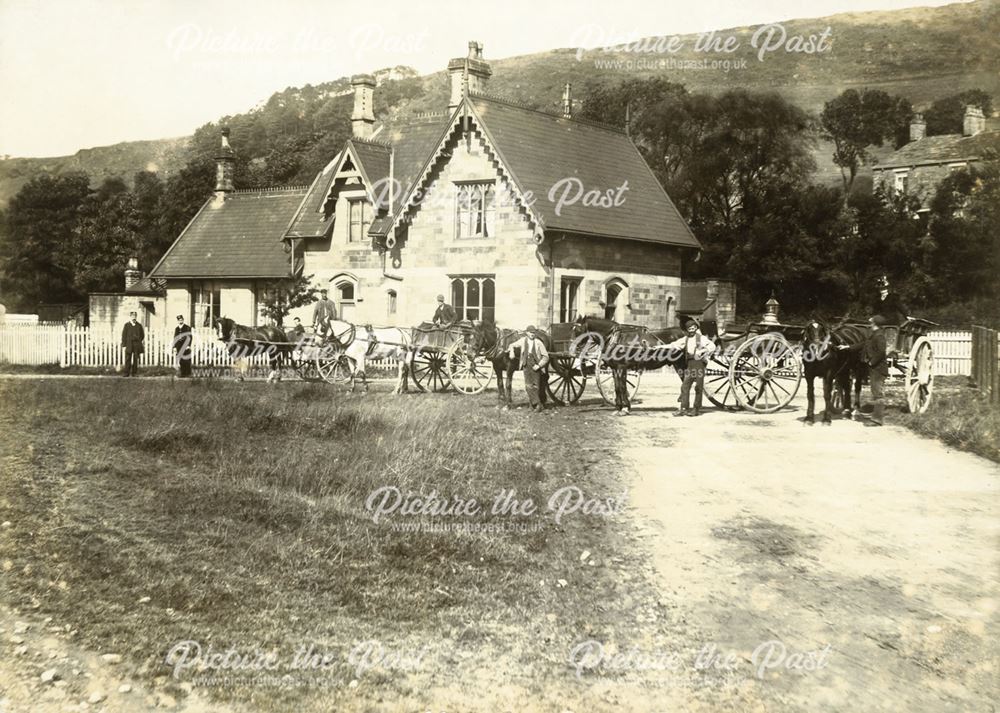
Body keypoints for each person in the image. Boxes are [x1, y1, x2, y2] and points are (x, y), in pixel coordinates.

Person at [665, 316, 716, 417]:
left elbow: (712, 346)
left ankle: (696, 409)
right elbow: (673, 345)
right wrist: (657, 347)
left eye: (693, 328)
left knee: (698, 387)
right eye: (689, 329)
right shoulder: (686, 339)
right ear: (687, 330)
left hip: (699, 364)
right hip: (690, 364)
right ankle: (684, 408)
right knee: (685, 386)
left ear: (696, 328)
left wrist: (703, 351)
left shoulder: (701, 338)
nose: (691, 331)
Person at [509, 325, 549, 412]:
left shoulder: (539, 342)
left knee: (536, 386)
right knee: (528, 386)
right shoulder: (523, 341)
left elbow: (546, 356)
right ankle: (537, 404)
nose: (532, 334)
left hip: (536, 365)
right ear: (526, 333)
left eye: (534, 333)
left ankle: (534, 405)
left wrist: (539, 365)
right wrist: (511, 351)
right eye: (530, 332)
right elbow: (512, 344)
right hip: (526, 364)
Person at [862, 315, 888, 426]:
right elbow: (863, 345)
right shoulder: (874, 335)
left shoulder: (880, 336)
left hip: (878, 368)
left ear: (875, 324)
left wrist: (871, 362)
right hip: (875, 368)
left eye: (871, 323)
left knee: (878, 393)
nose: (870, 325)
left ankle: (877, 420)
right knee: (875, 391)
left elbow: (882, 352)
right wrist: (847, 347)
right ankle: (873, 411)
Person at [121, 311, 145, 377]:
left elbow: (142, 335)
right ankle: (126, 373)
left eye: (135, 316)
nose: (134, 317)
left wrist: (138, 340)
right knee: (128, 359)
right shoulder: (127, 325)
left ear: (136, 317)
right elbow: (124, 335)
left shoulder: (139, 325)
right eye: (132, 316)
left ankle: (134, 373)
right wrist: (124, 345)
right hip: (129, 344)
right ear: (130, 316)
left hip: (136, 345)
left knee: (135, 359)